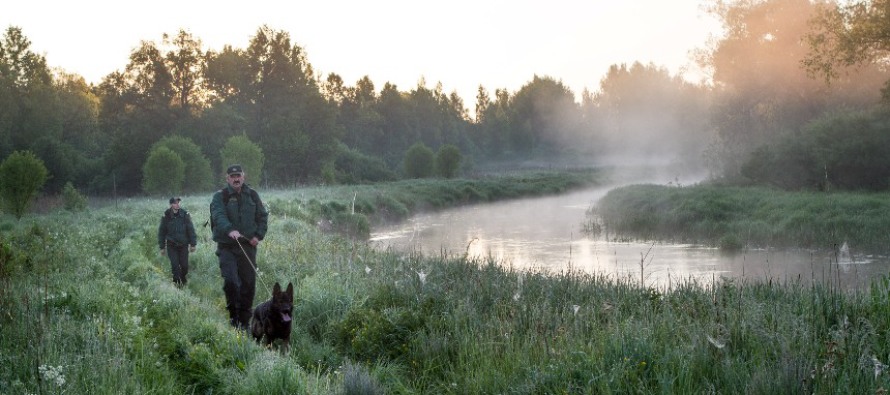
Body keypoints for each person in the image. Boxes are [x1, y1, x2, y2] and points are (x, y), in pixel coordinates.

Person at [210, 164, 269, 330]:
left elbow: (263, 217)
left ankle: (244, 321)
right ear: (227, 178)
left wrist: (258, 236)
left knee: (249, 284)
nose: (236, 179)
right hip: (227, 246)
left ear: (244, 176)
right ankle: (234, 318)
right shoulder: (219, 196)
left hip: (248, 247)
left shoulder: (253, 195)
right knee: (231, 282)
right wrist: (230, 230)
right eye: (233, 176)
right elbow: (218, 215)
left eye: (239, 176)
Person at [158, 197, 197, 287]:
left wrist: (193, 244)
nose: (177, 204)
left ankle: (183, 279)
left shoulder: (185, 215)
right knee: (175, 265)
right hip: (172, 245)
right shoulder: (166, 216)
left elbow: (190, 229)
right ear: (171, 204)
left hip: (183, 245)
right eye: (175, 203)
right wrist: (162, 247)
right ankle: (177, 284)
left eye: (178, 202)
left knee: (184, 266)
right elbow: (162, 232)